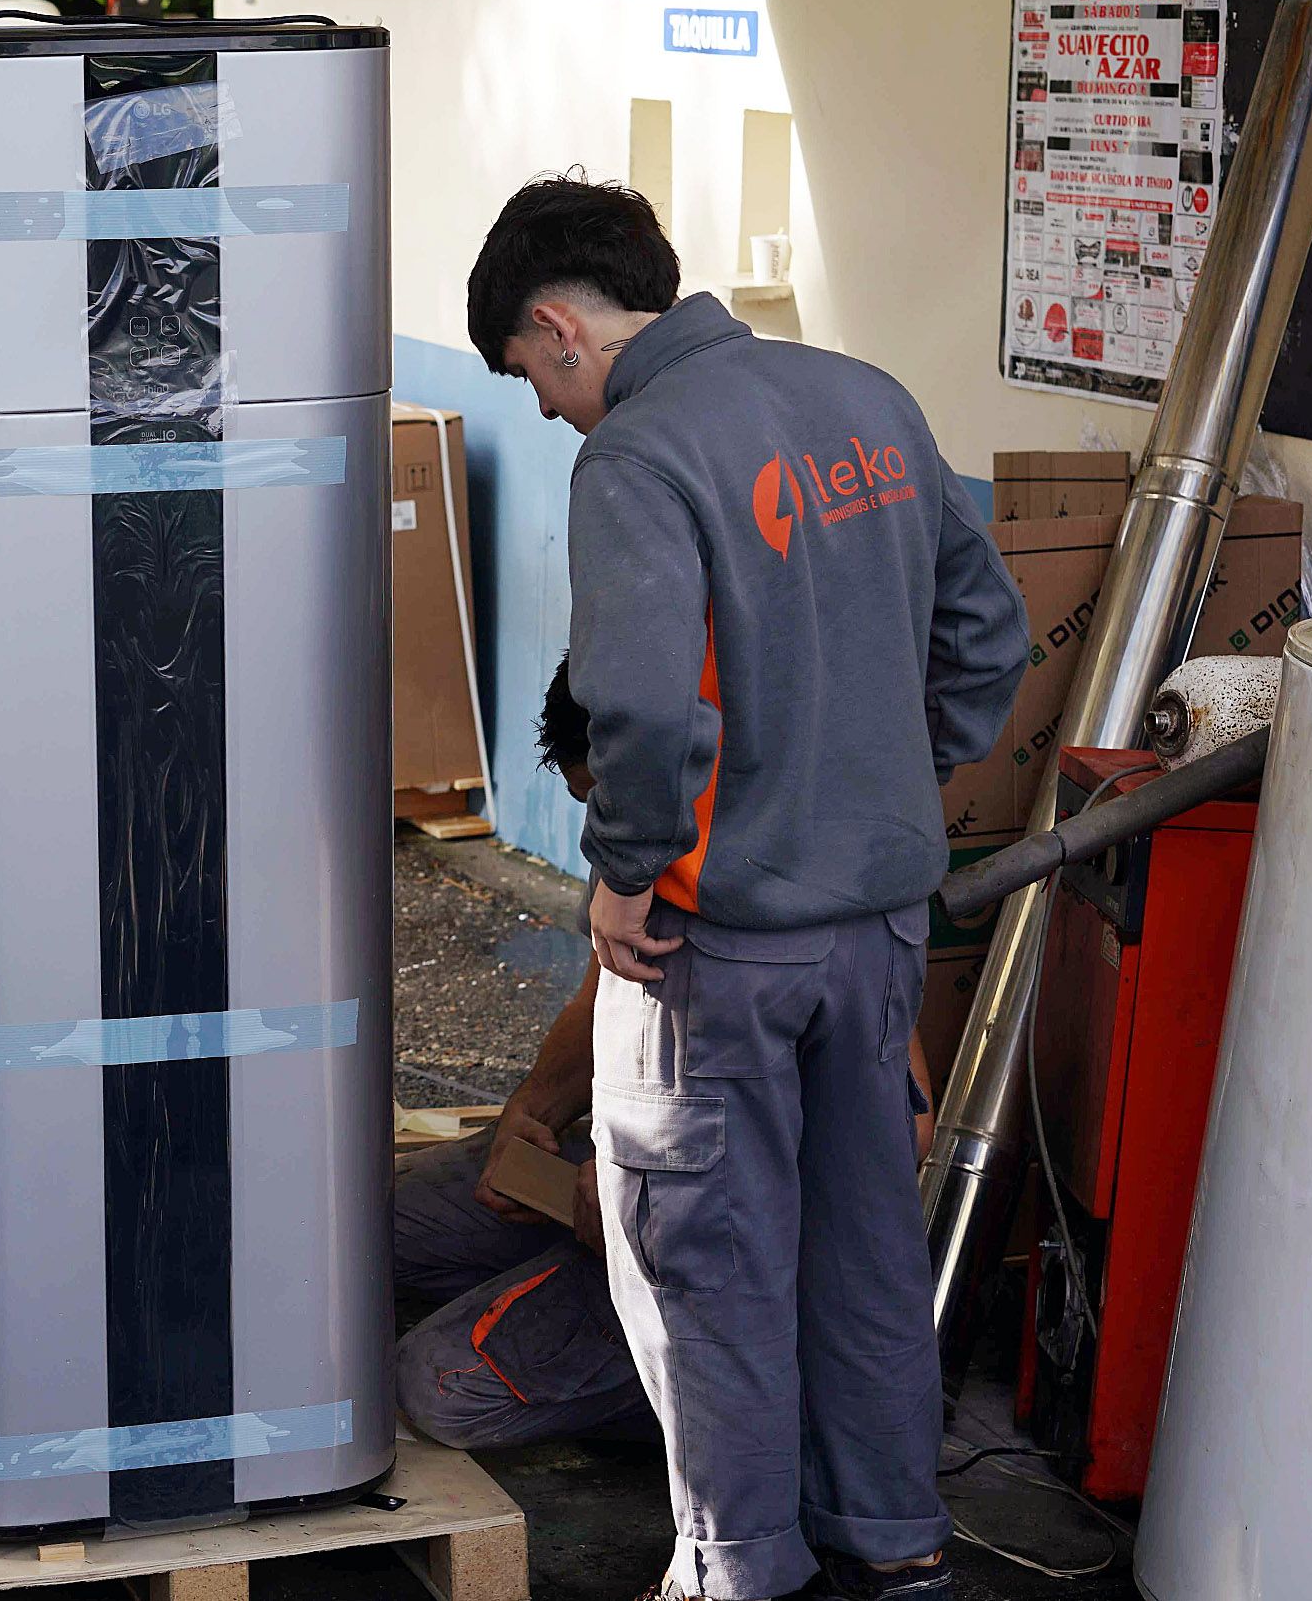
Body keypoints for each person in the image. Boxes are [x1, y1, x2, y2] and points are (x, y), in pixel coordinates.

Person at [463, 177, 1028, 1601]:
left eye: (532, 376)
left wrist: (625, 877)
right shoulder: (869, 398)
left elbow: (640, 708)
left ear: (557, 324)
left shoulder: (641, 455)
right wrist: (893, 774)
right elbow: (989, 632)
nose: (543, 408)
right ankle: (894, 1535)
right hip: (880, 926)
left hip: (716, 950)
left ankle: (737, 1569)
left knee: (702, 1261)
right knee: (863, 1249)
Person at [395, 659, 934, 1458]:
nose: (595, 832)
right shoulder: (637, 855)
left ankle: (714, 1391)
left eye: (608, 804)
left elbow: (900, 1132)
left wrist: (643, 1184)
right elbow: (598, 1000)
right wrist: (531, 1114)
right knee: (369, 1240)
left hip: (711, 1218)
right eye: (590, 806)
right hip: (626, 1164)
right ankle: (580, 1299)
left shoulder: (810, 882)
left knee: (435, 1384)